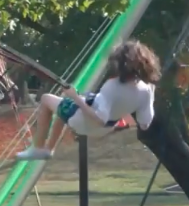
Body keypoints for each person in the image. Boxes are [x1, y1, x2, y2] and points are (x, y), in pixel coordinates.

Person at [16, 40, 160, 160]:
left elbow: (100, 118)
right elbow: (144, 124)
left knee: (47, 99)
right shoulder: (146, 90)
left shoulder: (112, 86)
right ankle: (49, 149)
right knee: (61, 107)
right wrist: (151, 96)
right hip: (105, 129)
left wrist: (75, 97)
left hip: (85, 122)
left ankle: (38, 148)